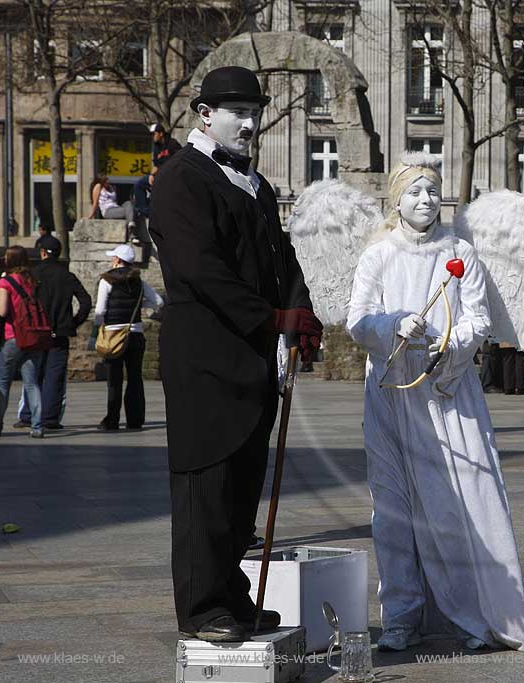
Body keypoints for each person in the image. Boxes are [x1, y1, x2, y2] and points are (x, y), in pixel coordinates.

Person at [149, 66, 321, 642]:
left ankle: (233, 597)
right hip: (204, 359)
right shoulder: (180, 180)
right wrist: (271, 317)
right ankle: (202, 607)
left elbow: (281, 261)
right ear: (204, 114)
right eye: (237, 113)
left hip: (251, 359)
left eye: (255, 113)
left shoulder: (259, 186)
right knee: (208, 483)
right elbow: (201, 271)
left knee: (243, 485)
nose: (250, 124)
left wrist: (300, 312)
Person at [347, 152, 524, 653]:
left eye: (431, 190)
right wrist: (393, 325)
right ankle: (402, 614)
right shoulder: (379, 254)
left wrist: (449, 342)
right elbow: (358, 320)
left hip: (449, 395)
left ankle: (473, 616)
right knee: (393, 509)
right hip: (391, 395)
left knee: (458, 504)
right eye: (414, 192)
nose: (425, 200)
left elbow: (477, 319)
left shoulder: (460, 253)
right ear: (396, 200)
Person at [22, 235, 91, 429]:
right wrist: (74, 322)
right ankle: (50, 418)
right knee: (54, 375)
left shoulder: (33, 275)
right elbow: (85, 301)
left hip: (37, 331)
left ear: (43, 252)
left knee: (33, 374)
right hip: (59, 332)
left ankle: (28, 414)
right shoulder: (67, 275)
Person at [0, 246, 47, 438]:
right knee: (32, 383)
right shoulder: (32, 280)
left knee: (3, 383)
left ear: (10, 261)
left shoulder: (6, 281)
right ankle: (37, 426)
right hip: (33, 337)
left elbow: (3, 310)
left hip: (13, 336)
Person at [94, 244, 164, 431]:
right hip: (135, 334)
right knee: (135, 378)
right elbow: (158, 302)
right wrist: (143, 306)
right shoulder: (139, 282)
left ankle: (112, 420)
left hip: (114, 335)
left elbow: (100, 310)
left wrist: (101, 326)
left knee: (114, 380)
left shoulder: (106, 280)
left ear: (117, 260)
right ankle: (135, 419)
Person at [133, 124, 182, 229]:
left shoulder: (172, 144)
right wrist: (151, 174)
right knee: (140, 184)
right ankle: (146, 212)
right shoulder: (156, 147)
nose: (153, 137)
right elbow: (156, 164)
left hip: (171, 175)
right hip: (159, 175)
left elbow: (179, 161)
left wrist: (162, 172)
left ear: (160, 133)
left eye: (154, 134)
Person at [90, 175, 139, 242]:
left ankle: (130, 225)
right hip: (107, 210)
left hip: (116, 208)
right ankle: (132, 234)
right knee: (129, 211)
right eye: (106, 181)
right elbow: (95, 203)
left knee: (128, 203)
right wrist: (91, 216)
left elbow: (115, 201)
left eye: (108, 181)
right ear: (102, 182)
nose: (108, 182)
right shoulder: (98, 186)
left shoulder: (112, 187)